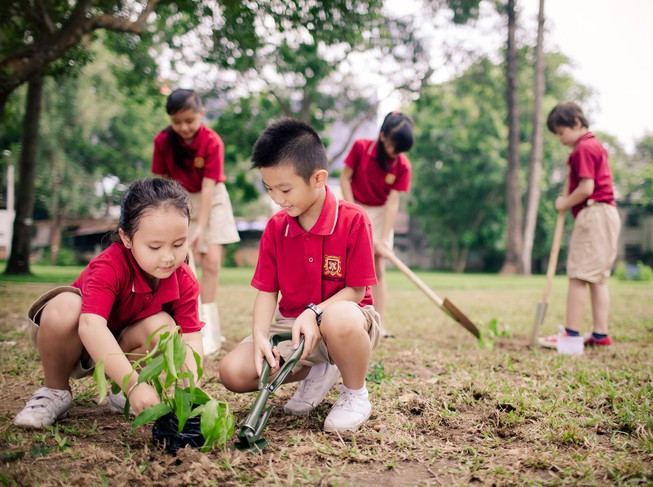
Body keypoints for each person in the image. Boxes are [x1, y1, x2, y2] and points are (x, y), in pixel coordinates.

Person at [219, 118, 382, 433]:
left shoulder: (354, 220)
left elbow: (356, 292)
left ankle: (355, 393)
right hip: (294, 331)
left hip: (348, 321)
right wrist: (261, 338)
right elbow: (267, 291)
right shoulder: (276, 227)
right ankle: (317, 370)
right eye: (269, 189)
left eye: (285, 189)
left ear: (318, 178)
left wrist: (315, 311)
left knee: (338, 320)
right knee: (233, 372)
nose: (277, 199)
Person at [14, 179, 204, 429]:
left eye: (179, 244)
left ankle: (119, 393)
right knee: (65, 306)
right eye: (155, 246)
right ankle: (55, 390)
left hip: (125, 345)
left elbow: (190, 339)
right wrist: (134, 384)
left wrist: (192, 390)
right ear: (126, 238)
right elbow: (91, 327)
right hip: (76, 344)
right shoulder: (110, 266)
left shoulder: (184, 279)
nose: (168, 257)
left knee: (165, 327)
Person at [151, 88, 240, 355]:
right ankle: (189, 326)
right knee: (184, 265)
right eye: (177, 122)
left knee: (211, 262)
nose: (184, 127)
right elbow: (160, 181)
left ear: (201, 113)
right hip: (178, 198)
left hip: (211, 198)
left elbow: (210, 186)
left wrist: (200, 227)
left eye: (190, 120)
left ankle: (212, 330)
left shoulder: (212, 141)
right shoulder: (163, 141)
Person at [538, 102, 621, 348]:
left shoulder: (583, 148)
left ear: (576, 123)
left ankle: (571, 335)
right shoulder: (592, 146)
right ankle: (600, 334)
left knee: (578, 275)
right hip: (607, 214)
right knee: (597, 278)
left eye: (562, 133)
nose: (561, 139)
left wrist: (564, 202)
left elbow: (586, 188)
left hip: (593, 213)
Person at [340, 111, 414, 337]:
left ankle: (378, 324)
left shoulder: (402, 165)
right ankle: (342, 316)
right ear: (382, 136)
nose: (396, 152)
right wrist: (354, 213)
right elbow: (345, 178)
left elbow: (393, 203)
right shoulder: (361, 148)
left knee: (378, 264)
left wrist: (382, 239)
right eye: (394, 145)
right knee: (347, 262)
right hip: (354, 203)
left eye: (401, 148)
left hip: (381, 214)